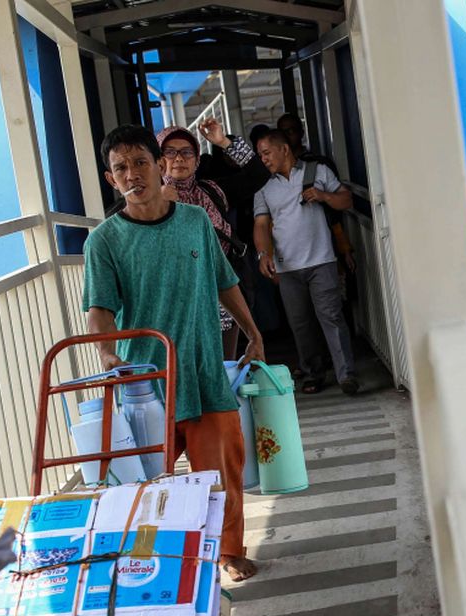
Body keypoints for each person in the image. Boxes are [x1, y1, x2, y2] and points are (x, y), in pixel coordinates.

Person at [83, 124, 263, 582]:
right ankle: (153, 560)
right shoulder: (103, 241)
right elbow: (100, 309)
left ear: (159, 166)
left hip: (203, 371)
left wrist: (252, 331)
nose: (132, 174)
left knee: (223, 468)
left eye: (141, 162)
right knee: (147, 481)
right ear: (111, 179)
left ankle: (229, 552)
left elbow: (225, 281)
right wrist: (107, 355)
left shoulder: (194, 221)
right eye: (121, 168)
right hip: (146, 382)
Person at [253, 130, 359, 395]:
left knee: (332, 317)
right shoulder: (263, 188)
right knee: (300, 323)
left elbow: (345, 200)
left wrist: (324, 197)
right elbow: (261, 225)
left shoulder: (317, 171)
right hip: (287, 267)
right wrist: (263, 254)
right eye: (260, 155)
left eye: (266, 153)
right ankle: (313, 373)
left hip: (322, 260)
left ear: (284, 149)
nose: (263, 159)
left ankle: (346, 375)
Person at [157, 120, 270, 360]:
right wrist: (161, 204)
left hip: (222, 300)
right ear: (159, 161)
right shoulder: (148, 203)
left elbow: (258, 174)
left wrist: (223, 142)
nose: (179, 158)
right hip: (176, 303)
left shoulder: (213, 191)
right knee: (184, 368)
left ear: (197, 160)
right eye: (170, 152)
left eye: (187, 152)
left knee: (222, 367)